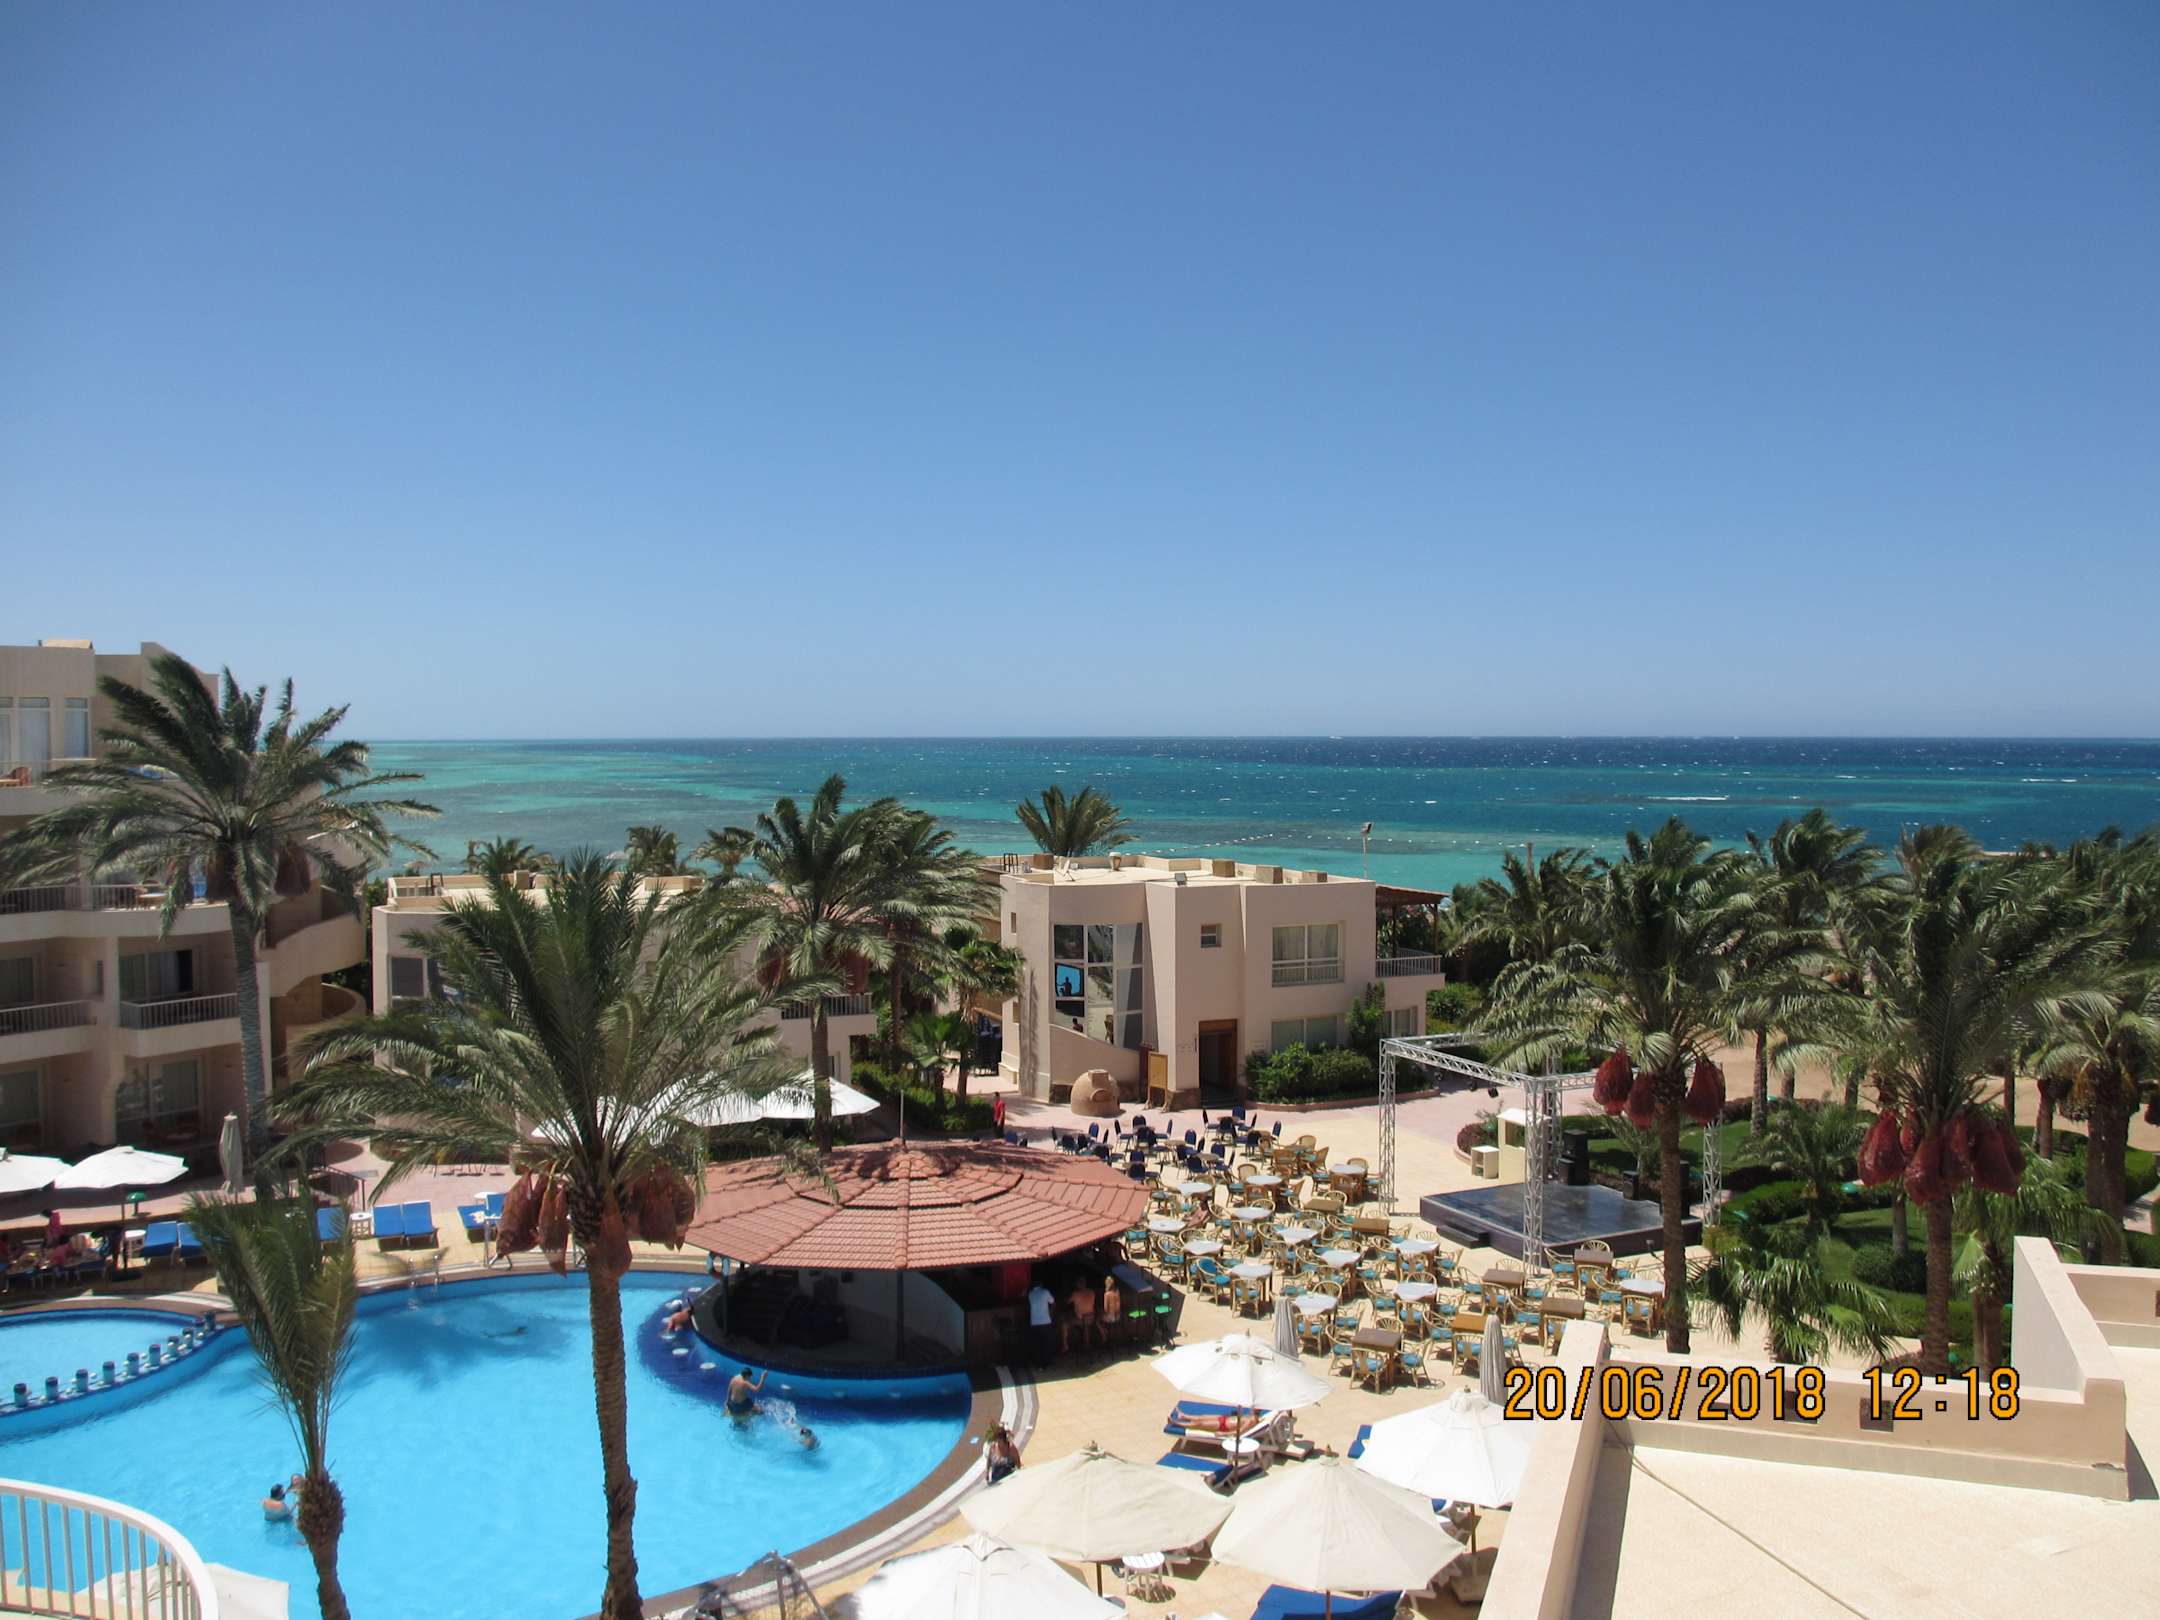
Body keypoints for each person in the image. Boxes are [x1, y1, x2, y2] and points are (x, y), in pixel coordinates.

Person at [1062, 1277, 1097, 1354]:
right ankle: (1086, 1342)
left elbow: (1067, 1302)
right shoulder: (1091, 1292)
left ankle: (1065, 1345)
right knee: (1084, 1324)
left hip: (1081, 1319)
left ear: (1078, 1285)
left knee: (1064, 1323)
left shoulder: (1075, 1294)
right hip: (1091, 1318)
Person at [1025, 1280, 1055, 1367]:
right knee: (1047, 1342)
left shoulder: (1030, 1294)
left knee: (1037, 1343)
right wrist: (1051, 1313)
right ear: (1041, 1285)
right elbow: (1053, 1302)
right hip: (1045, 1321)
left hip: (1034, 1322)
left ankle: (1038, 1363)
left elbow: (1028, 1306)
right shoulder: (1045, 1292)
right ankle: (1047, 1362)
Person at [1099, 1276, 1122, 1346]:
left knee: (1097, 1320)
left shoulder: (1107, 1294)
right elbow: (1118, 1306)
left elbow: (1106, 1309)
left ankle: (1104, 1336)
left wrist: (1101, 1312)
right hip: (1117, 1316)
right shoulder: (1117, 1292)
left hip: (1110, 1317)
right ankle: (1108, 1333)